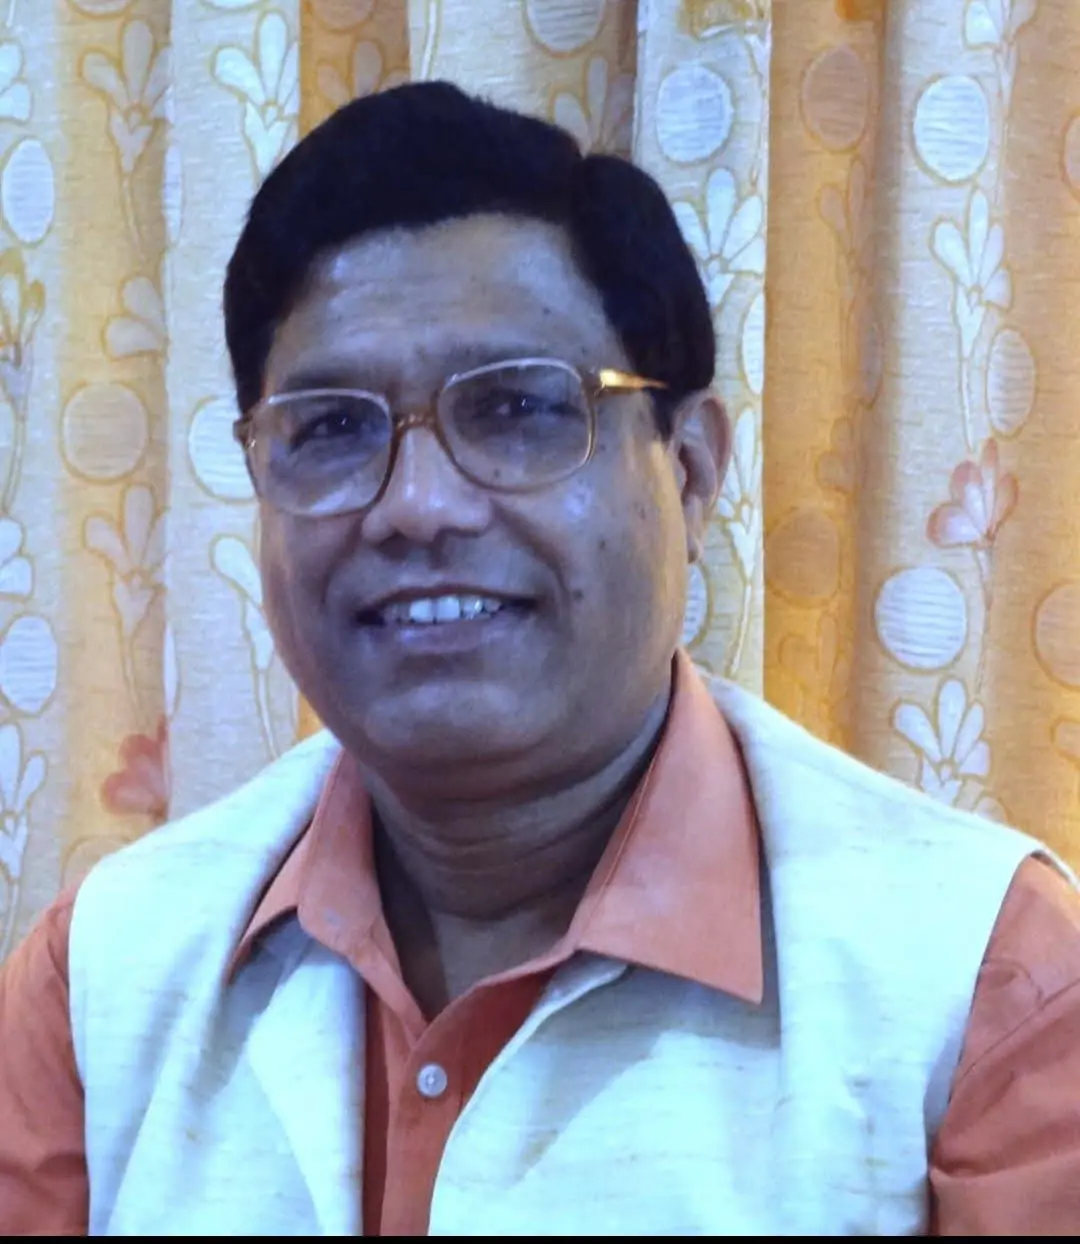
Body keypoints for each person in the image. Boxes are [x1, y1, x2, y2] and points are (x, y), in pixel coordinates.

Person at [1, 81, 1080, 1237]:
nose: (417, 506)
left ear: (691, 469)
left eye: (518, 408)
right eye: (332, 427)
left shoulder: (986, 981)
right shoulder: (100, 977)